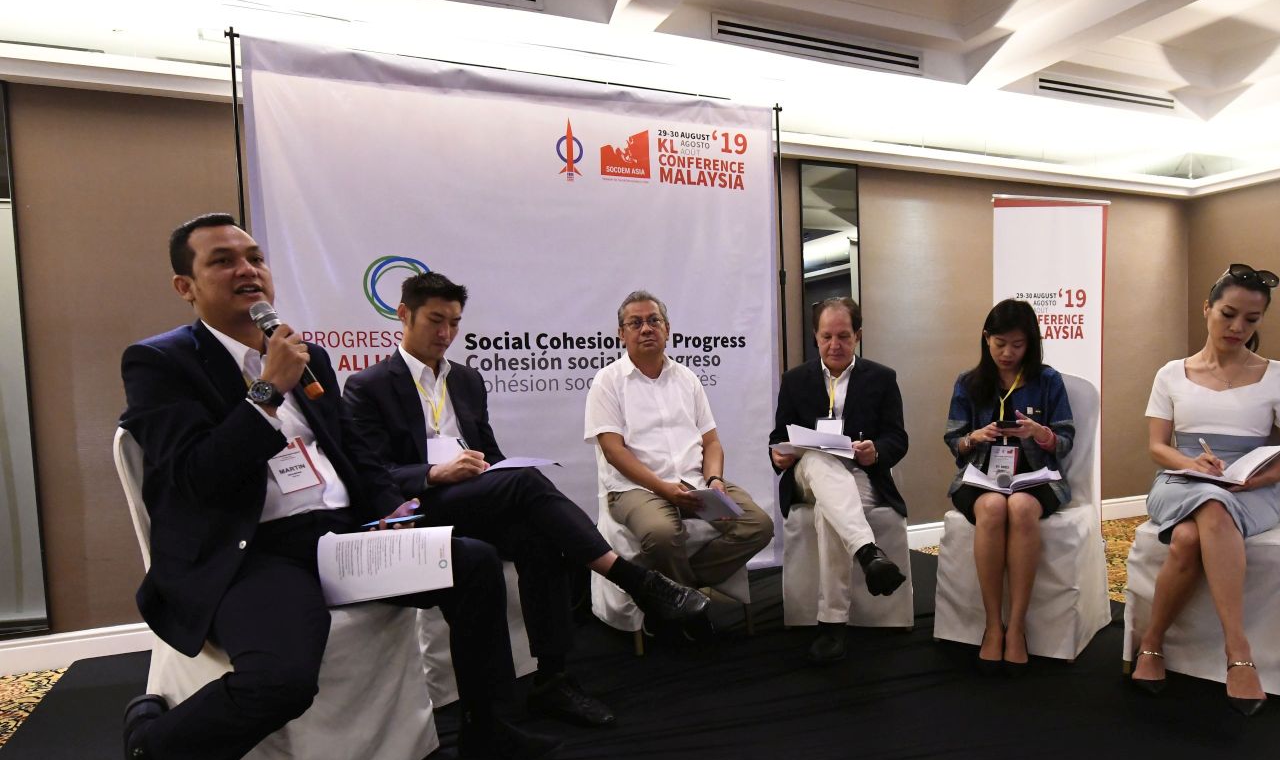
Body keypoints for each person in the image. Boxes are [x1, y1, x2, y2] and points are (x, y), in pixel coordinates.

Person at [119, 214, 557, 760]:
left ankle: (490, 734)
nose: (247, 270)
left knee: (473, 562)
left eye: (254, 257)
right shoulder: (161, 362)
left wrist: (397, 512)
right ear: (184, 287)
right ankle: (153, 750)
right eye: (222, 261)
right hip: (256, 551)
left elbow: (355, 454)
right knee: (282, 681)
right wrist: (267, 390)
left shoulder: (309, 356)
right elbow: (196, 477)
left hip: (340, 539)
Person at [343, 273, 708, 726]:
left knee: (541, 537)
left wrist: (492, 468)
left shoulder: (467, 381)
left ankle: (553, 679)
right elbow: (372, 475)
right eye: (436, 321)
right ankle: (635, 580)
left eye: (454, 323)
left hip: (474, 498)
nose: (446, 333)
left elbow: (490, 453)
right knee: (526, 484)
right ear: (403, 315)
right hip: (419, 507)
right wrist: (435, 473)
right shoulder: (368, 386)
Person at [1129, 263, 1280, 716]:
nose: (1238, 327)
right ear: (1207, 308)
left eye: (1251, 319)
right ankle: (1239, 652)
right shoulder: (1171, 373)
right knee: (1210, 504)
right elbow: (1157, 447)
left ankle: (1152, 644)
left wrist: (1250, 480)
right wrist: (1191, 463)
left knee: (1191, 534)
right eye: (1228, 314)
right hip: (1180, 481)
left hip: (1249, 489)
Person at [585, 290, 774, 636]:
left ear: (667, 329)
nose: (646, 329)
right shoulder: (607, 382)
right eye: (635, 323)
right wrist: (663, 490)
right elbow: (614, 452)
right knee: (661, 534)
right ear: (621, 334)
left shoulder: (687, 379)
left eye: (653, 320)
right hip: (637, 488)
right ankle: (689, 610)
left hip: (695, 481)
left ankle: (676, 594)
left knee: (758, 525)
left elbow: (711, 442)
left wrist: (714, 480)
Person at [770, 297, 909, 664]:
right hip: (807, 474)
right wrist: (778, 454)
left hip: (859, 474)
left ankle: (832, 624)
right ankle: (867, 552)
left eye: (844, 336)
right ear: (815, 337)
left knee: (828, 513)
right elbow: (778, 436)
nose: (835, 345)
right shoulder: (795, 380)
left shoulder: (882, 378)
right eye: (827, 337)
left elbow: (897, 438)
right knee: (818, 458)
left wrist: (875, 452)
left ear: (858, 335)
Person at [943, 299, 1075, 675]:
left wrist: (1041, 433)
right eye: (1000, 343)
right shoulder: (969, 382)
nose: (1007, 353)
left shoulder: (1048, 381)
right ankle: (992, 625)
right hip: (981, 476)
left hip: (1035, 476)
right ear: (986, 339)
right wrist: (974, 437)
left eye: (1017, 345)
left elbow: (1066, 440)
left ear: (1030, 344)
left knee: (1019, 506)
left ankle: (1016, 626)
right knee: (992, 507)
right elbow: (953, 440)